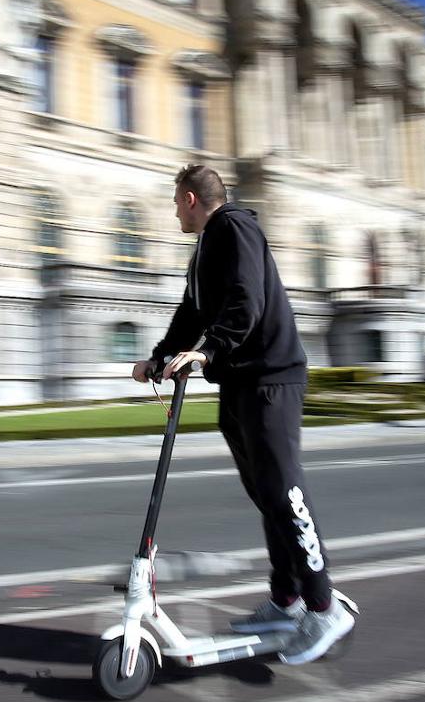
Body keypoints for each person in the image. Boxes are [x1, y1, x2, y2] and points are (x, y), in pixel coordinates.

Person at [132, 164, 354, 665]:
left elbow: (244, 301)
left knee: (284, 490)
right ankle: (286, 598)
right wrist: (162, 358)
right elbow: (191, 313)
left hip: (272, 378)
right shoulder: (206, 249)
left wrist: (208, 352)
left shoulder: (235, 227)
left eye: (174, 203)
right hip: (241, 381)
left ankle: (323, 604)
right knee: (265, 495)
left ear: (190, 199)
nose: (173, 212)